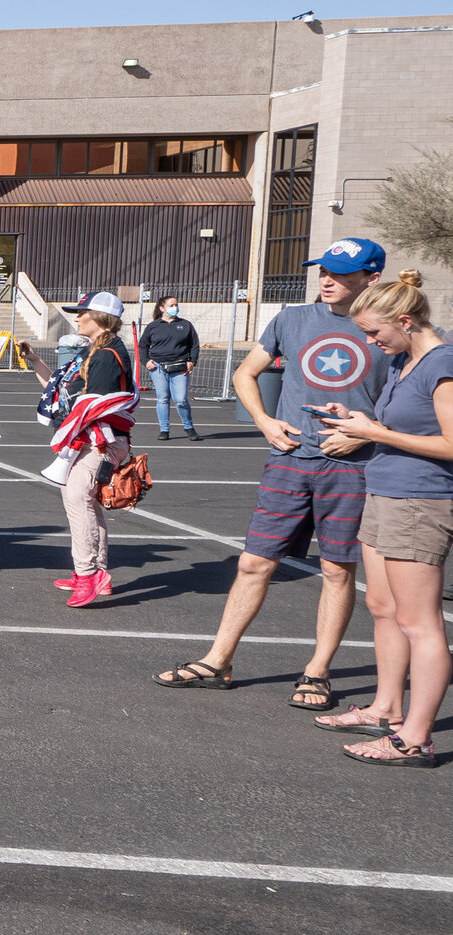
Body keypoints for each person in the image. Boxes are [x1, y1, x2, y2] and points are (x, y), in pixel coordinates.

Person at [153, 239, 387, 701]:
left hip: (353, 469)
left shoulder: (391, 330)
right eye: (323, 270)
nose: (326, 279)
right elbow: (245, 373)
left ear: (371, 278)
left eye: (340, 273)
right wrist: (264, 421)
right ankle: (217, 661)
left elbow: (415, 402)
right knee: (253, 562)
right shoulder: (292, 318)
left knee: (338, 571)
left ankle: (317, 672)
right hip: (289, 460)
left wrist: (368, 432)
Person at [310, 271, 453, 767]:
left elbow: (450, 445)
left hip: (419, 501)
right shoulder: (404, 361)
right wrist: (361, 423)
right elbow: (397, 425)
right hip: (385, 491)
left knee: (421, 623)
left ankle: (415, 738)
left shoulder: (443, 365)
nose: (371, 343)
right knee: (383, 607)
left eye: (375, 333)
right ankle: (386, 707)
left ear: (406, 321)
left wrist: (377, 433)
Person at [40, 292, 136, 607]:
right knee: (88, 503)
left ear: (99, 318)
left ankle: (89, 574)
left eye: (83, 312)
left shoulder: (107, 354)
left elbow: (93, 403)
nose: (77, 317)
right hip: (106, 438)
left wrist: (70, 425)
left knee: (77, 498)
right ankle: (96, 572)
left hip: (103, 440)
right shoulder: (105, 349)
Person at [140, 295, 202, 441]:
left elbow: (194, 345)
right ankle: (164, 429)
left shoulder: (185, 325)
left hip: (180, 366)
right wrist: (146, 361)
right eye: (171, 305)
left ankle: (188, 427)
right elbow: (143, 345)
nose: (175, 308)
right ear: (162, 308)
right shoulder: (153, 326)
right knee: (162, 399)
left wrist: (192, 361)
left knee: (180, 400)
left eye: (176, 305)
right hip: (158, 367)